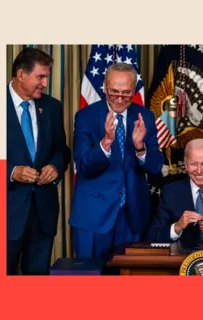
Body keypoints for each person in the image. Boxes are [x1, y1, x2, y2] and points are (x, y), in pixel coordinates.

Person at [69, 63, 164, 259]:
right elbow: (84, 166)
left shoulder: (145, 116)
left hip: (133, 216)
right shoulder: (85, 116)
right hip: (94, 216)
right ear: (104, 86)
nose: (119, 99)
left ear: (135, 89)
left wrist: (140, 147)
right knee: (91, 279)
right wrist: (106, 143)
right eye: (113, 92)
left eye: (126, 93)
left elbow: (155, 167)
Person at [7, 47, 71, 275]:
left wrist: (55, 166)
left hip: (42, 214)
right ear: (21, 74)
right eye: (40, 77)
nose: (44, 83)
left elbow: (61, 150)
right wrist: (11, 172)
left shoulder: (51, 106)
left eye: (46, 76)